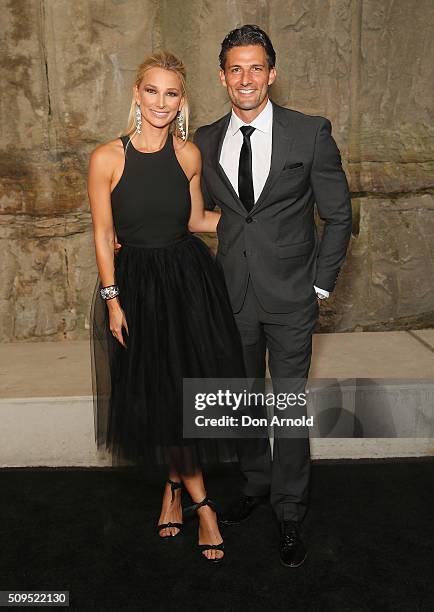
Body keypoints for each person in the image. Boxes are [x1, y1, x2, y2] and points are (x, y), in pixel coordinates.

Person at [193, 25, 352, 567]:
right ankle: (256, 484)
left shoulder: (309, 133)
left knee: (286, 406)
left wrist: (321, 281)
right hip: (231, 295)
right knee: (242, 401)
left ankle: (289, 510)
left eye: (256, 67)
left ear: (272, 74)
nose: (246, 78)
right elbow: (197, 212)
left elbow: (338, 215)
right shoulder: (207, 140)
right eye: (235, 68)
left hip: (291, 297)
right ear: (222, 76)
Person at [88, 52, 246, 564]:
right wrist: (113, 300)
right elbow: (103, 233)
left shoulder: (189, 156)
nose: (161, 101)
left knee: (185, 395)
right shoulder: (107, 158)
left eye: (171, 93)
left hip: (189, 284)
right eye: (152, 91)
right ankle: (198, 501)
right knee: (160, 395)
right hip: (136, 288)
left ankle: (181, 494)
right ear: (137, 94)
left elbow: (199, 219)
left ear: (182, 101)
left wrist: (260, 224)